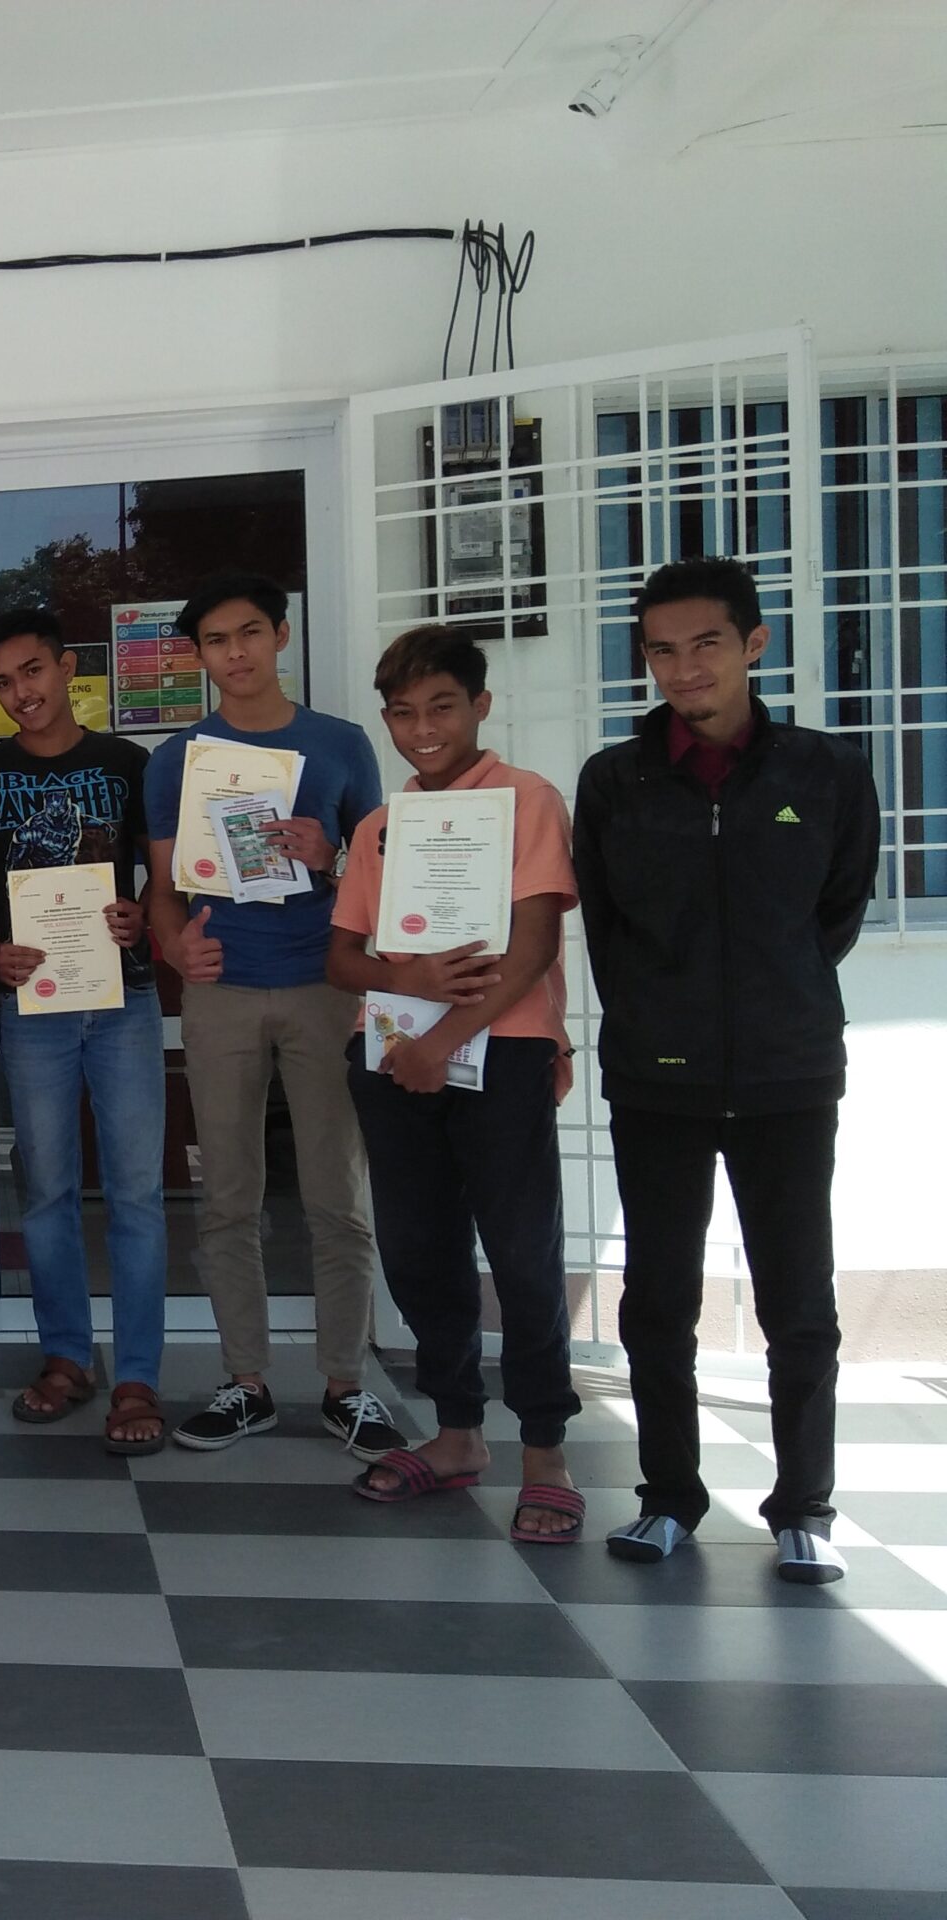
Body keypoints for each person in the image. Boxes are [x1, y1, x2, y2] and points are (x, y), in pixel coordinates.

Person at [576, 558, 879, 1582]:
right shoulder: (614, 780)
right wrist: (661, 1018)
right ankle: (668, 1499)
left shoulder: (826, 771)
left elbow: (833, 913)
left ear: (753, 644)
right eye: (661, 650)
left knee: (798, 1302)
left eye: (704, 644)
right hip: (655, 1078)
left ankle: (804, 1508)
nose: (683, 668)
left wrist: (769, 1001)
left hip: (789, 1074)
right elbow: (608, 931)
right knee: (657, 1299)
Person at [326, 625, 583, 1541]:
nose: (424, 730)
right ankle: (458, 1434)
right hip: (394, 1057)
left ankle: (546, 1452)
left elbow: (535, 945)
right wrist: (409, 982)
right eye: (403, 714)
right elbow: (343, 958)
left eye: (442, 707)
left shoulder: (527, 800)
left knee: (521, 1253)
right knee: (419, 1252)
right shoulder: (380, 827)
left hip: (498, 1054)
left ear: (481, 705)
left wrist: (446, 1039)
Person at [143, 572, 404, 1460]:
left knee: (337, 1195)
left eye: (250, 632)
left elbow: (381, 879)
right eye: (217, 641)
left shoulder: (340, 744)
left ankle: (346, 1385)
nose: (236, 654)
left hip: (325, 984)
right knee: (228, 1196)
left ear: (281, 635)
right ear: (199, 656)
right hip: (221, 990)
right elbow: (162, 886)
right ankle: (245, 1382)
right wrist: (176, 948)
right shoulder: (179, 759)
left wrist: (333, 859)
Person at [0, 609, 169, 1450]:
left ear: (67, 667)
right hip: (35, 1004)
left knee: (137, 1194)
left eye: (32, 672)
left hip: (124, 999)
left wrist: (140, 915)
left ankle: (139, 1376)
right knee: (46, 1192)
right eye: (2, 682)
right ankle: (66, 1359)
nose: (20, 693)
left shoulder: (126, 763)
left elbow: (163, 873)